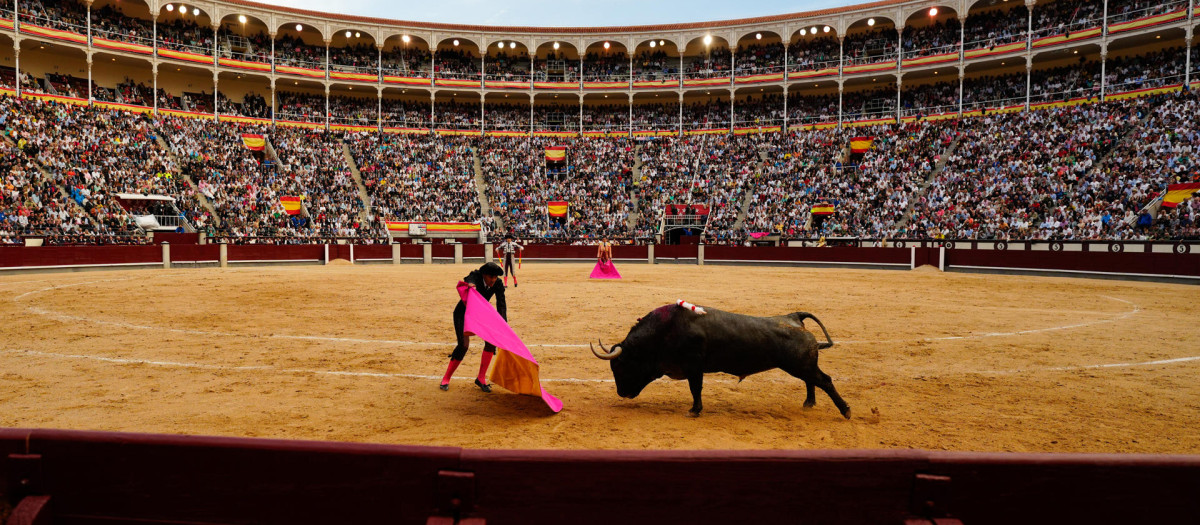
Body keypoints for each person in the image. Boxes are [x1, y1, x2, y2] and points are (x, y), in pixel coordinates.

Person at [440, 262, 507, 392]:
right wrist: (470, 284)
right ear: (484, 275)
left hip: (480, 314)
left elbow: (501, 304)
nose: (493, 280)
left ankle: (481, 378)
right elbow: (469, 278)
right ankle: (446, 378)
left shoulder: (498, 284)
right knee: (463, 346)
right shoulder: (476, 276)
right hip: (463, 314)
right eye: (490, 277)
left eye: (495, 277)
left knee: (491, 342)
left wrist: (503, 323)